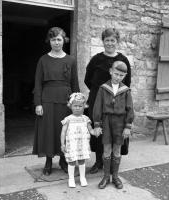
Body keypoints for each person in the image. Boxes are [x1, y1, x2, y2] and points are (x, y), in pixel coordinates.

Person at [33, 27, 80, 175]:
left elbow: (75, 84)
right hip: (47, 100)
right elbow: (38, 83)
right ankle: (48, 161)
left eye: (59, 39)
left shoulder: (71, 60)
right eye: (53, 39)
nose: (56, 42)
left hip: (66, 101)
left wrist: (77, 103)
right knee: (48, 130)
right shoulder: (43, 60)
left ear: (64, 40)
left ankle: (63, 160)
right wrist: (38, 103)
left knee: (65, 131)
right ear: (49, 41)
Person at [84, 28, 132, 174]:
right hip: (97, 101)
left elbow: (127, 83)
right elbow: (87, 80)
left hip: (117, 102)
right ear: (103, 41)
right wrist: (99, 94)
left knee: (116, 131)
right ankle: (99, 162)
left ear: (117, 42)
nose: (110, 43)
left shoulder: (123, 60)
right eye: (107, 40)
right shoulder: (96, 59)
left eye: (112, 40)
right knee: (99, 130)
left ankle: (112, 162)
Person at [93, 61, 134, 189]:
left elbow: (130, 109)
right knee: (106, 149)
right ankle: (106, 176)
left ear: (125, 76)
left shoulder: (126, 90)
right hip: (106, 121)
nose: (118, 77)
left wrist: (128, 126)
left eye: (121, 75)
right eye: (116, 74)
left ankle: (115, 176)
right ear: (111, 71)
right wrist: (97, 124)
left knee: (117, 149)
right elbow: (97, 107)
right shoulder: (103, 88)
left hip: (120, 123)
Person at [61, 93, 95, 188]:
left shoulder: (86, 119)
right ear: (70, 106)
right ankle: (71, 179)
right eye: (75, 106)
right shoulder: (68, 119)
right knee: (71, 161)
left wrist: (95, 131)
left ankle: (82, 177)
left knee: (81, 161)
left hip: (82, 145)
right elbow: (63, 132)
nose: (77, 108)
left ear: (84, 107)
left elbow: (90, 130)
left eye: (80, 106)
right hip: (71, 145)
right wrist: (62, 144)